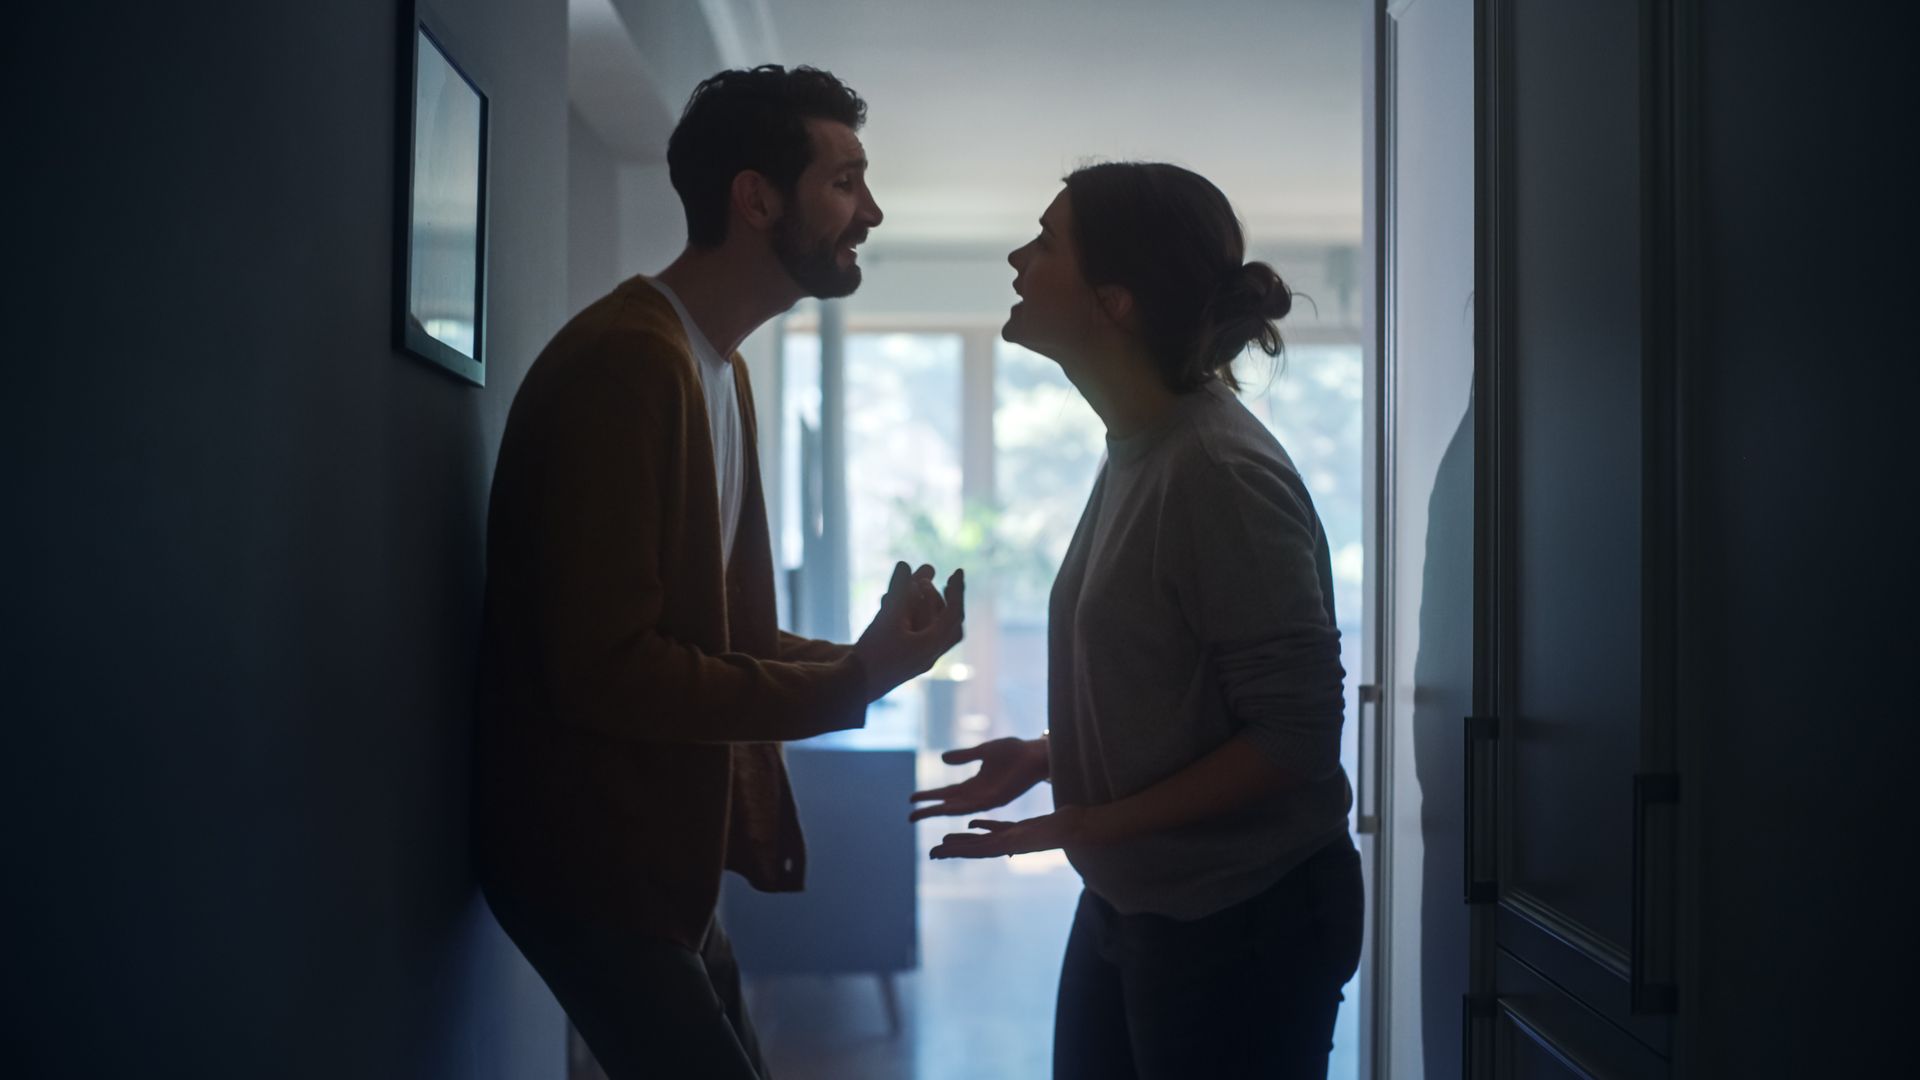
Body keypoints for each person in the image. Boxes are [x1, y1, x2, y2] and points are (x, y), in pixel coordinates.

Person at [474, 65, 964, 1080]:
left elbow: (719, 638)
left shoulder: (718, 367)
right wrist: (856, 678)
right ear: (756, 198)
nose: (870, 212)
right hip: (596, 866)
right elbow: (610, 670)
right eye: (847, 182)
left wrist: (871, 657)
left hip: (659, 865)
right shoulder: (630, 362)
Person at [912, 162, 1359, 1079]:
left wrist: (1082, 821)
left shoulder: (1217, 472)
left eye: (1045, 242)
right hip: (1141, 901)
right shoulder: (1142, 447)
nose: (1017, 257)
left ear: (1112, 302)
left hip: (1244, 920)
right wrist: (1051, 757)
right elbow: (1179, 679)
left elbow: (1295, 738)